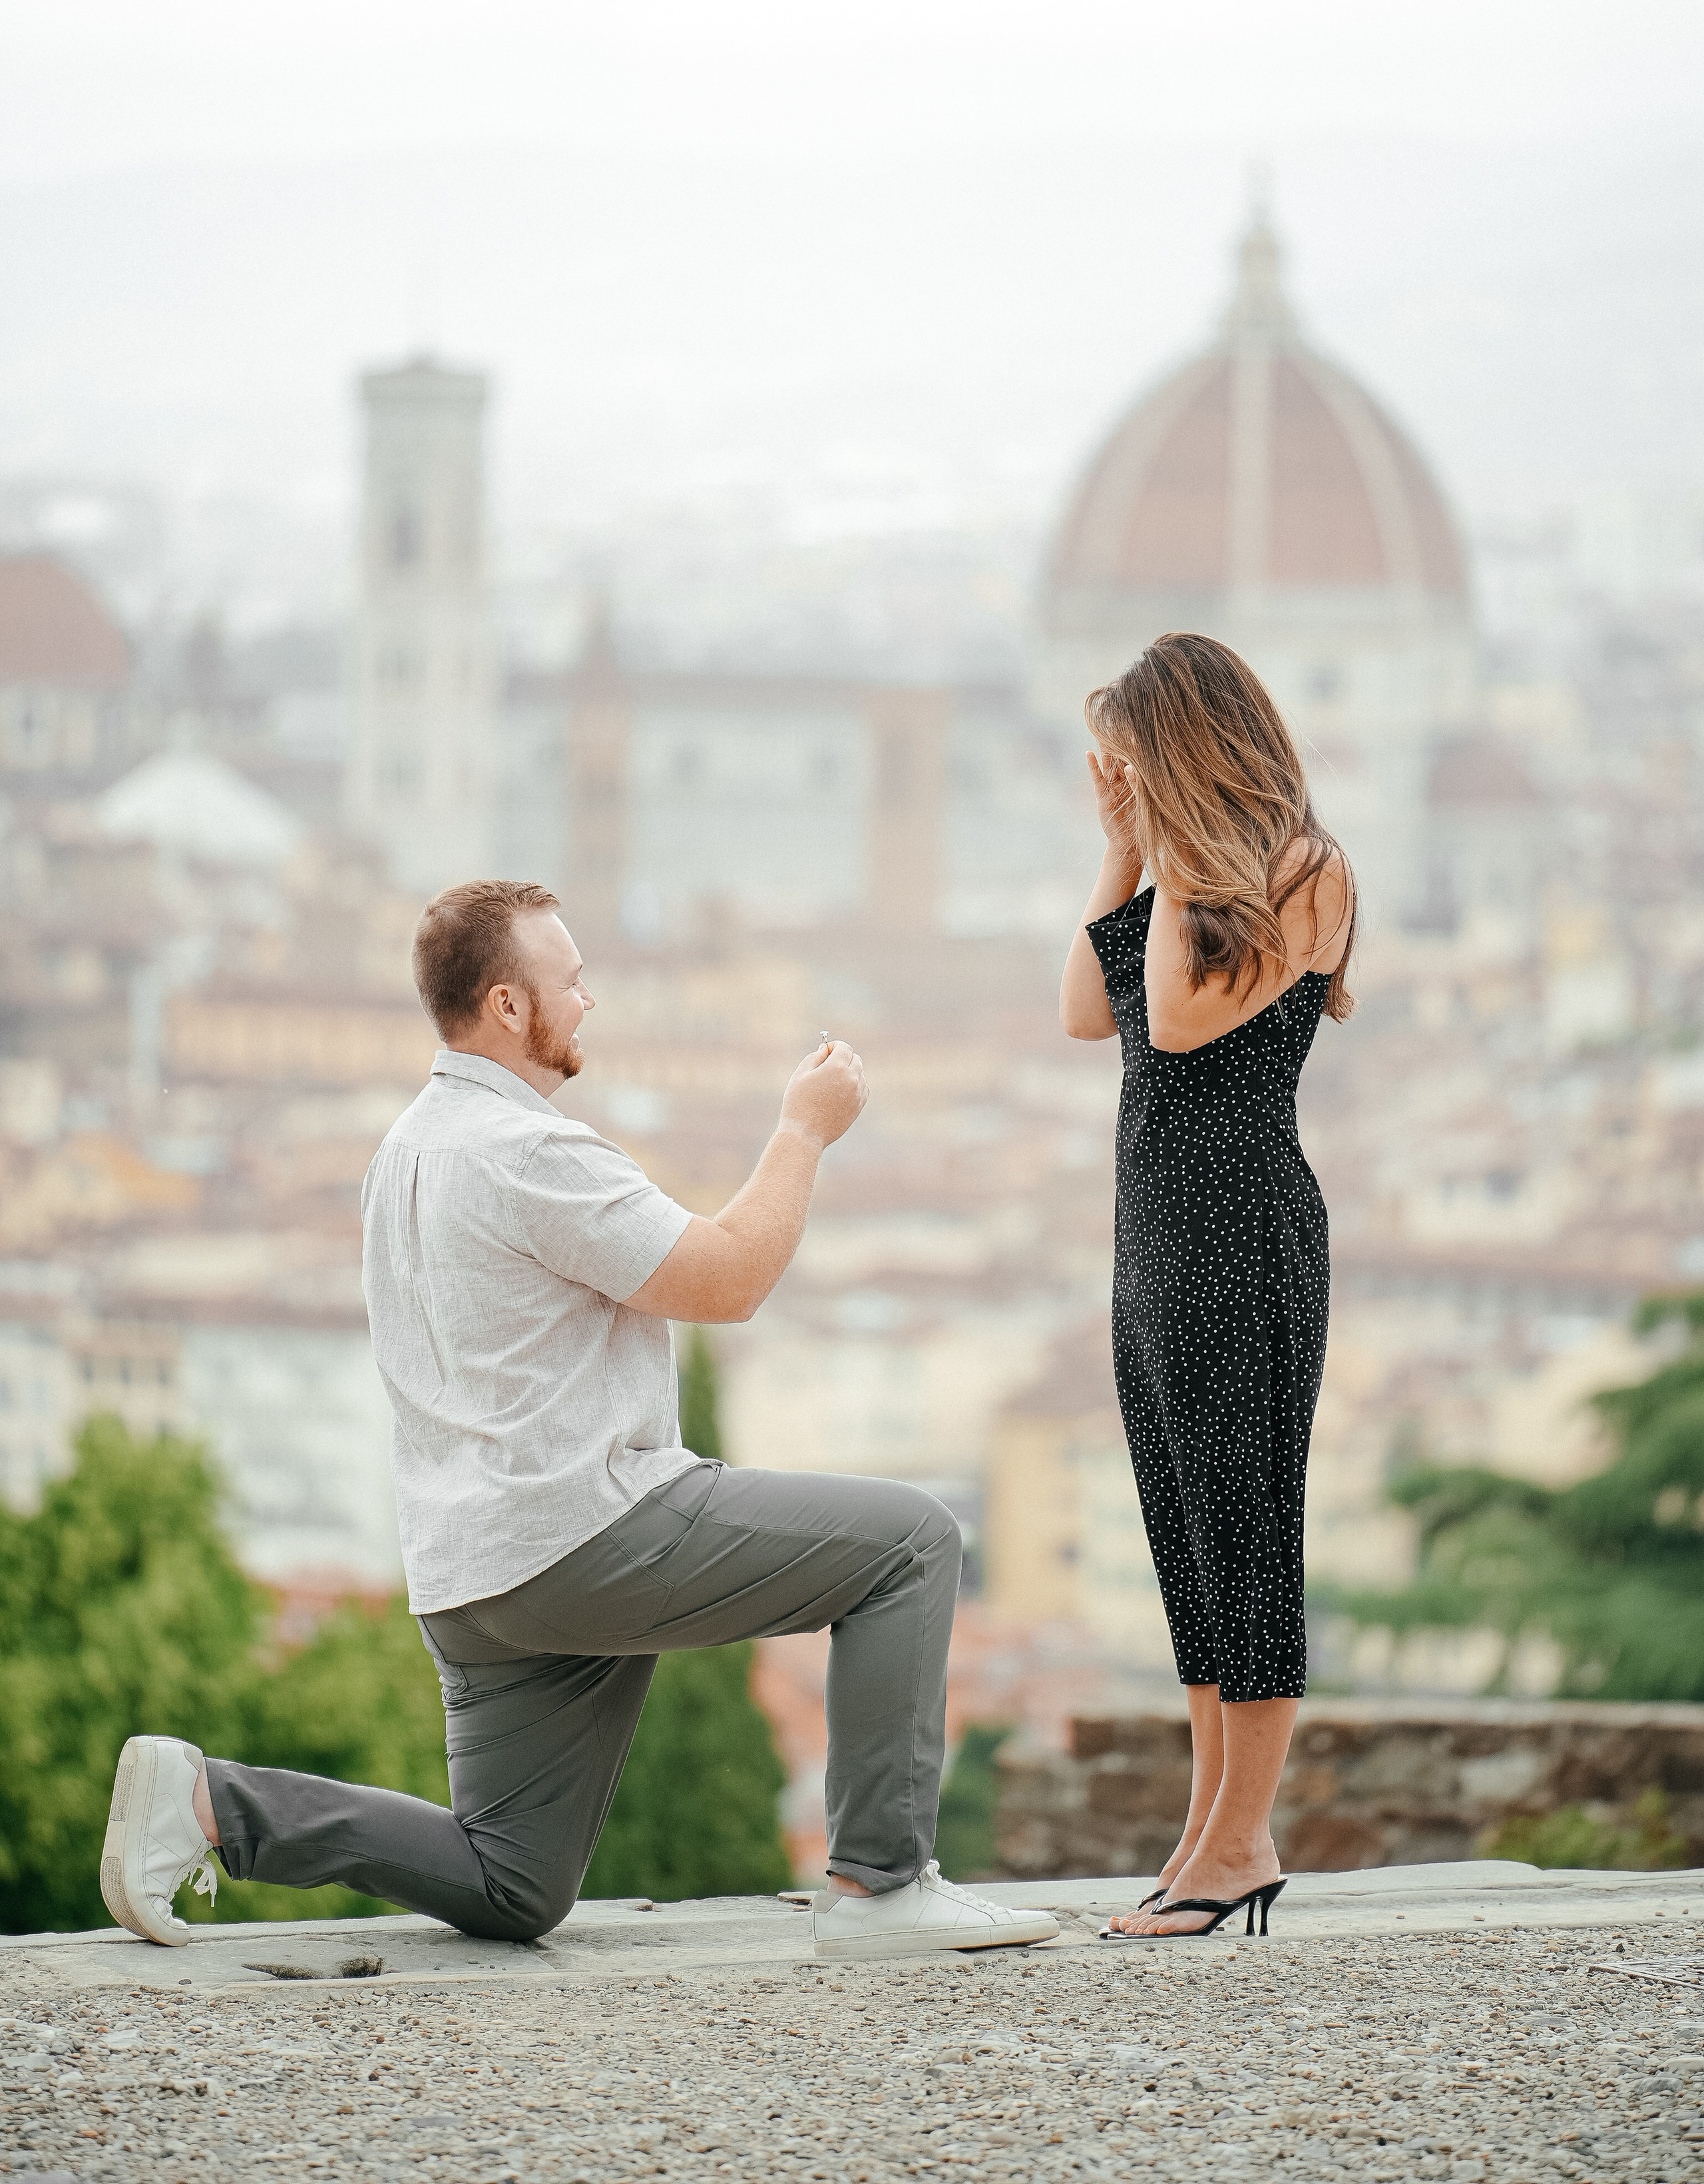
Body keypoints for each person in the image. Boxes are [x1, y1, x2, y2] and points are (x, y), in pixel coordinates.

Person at [102, 880, 1057, 1964]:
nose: (590, 1001)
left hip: (473, 1578)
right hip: (586, 1533)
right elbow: (729, 1279)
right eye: (573, 980)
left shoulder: (402, 1152)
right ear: (510, 1006)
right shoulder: (528, 1152)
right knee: (912, 1544)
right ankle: (881, 1886)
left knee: (512, 1885)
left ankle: (211, 1805)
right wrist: (803, 1131)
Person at [1058, 634, 1355, 1940]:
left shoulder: (1303, 871)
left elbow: (1176, 1021)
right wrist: (1121, 852)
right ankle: (1208, 1834)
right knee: (1186, 1545)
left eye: (1131, 757)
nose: (1116, 776)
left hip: (1241, 1235)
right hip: (1150, 1241)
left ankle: (1240, 1845)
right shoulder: (1181, 881)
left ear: (1180, 747)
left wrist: (1171, 847)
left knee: (1247, 1538)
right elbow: (1088, 1009)